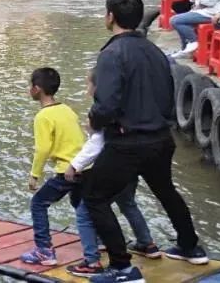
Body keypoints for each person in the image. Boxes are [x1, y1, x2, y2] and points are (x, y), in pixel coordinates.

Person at [82, 0, 208, 283]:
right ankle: (191, 247)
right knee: (166, 190)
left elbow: (107, 104)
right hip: (161, 138)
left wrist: (94, 120)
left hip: (127, 142)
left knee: (94, 197)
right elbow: (167, 95)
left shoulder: (111, 54)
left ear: (110, 16)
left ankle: (122, 267)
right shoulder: (155, 51)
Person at [63, 70, 161, 277]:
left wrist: (75, 164)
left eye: (89, 85)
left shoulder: (102, 109)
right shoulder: (129, 105)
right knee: (128, 204)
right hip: (132, 165)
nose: (87, 90)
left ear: (99, 87)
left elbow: (98, 143)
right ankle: (147, 243)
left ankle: (91, 260)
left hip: (113, 165)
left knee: (84, 210)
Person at [17, 68, 87, 267]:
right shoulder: (67, 109)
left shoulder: (43, 116)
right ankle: (98, 239)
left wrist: (34, 175)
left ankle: (44, 250)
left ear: (37, 89)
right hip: (85, 166)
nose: (29, 90)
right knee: (80, 205)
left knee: (38, 203)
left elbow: (42, 148)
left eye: (30, 86)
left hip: (67, 170)